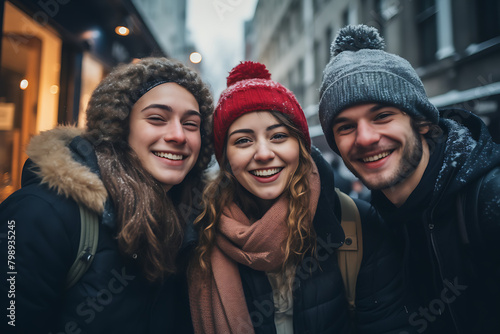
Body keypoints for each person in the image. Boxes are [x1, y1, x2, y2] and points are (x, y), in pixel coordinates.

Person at [188, 61, 417, 334]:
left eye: (279, 136)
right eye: (243, 141)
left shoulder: (355, 223)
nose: (263, 154)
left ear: (301, 146)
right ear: (225, 158)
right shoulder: (198, 230)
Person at [0, 57, 213, 333]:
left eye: (191, 124)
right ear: (119, 128)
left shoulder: (198, 221)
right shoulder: (39, 213)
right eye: (157, 119)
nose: (178, 135)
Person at [318, 24, 500, 333]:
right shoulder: (372, 225)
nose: (365, 138)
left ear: (422, 122)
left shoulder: (488, 201)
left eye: (382, 116)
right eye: (346, 126)